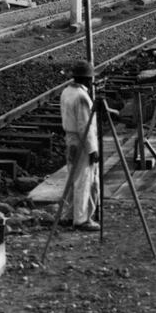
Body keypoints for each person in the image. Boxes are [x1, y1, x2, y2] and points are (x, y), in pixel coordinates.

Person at [59, 60, 100, 231]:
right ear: (87, 79)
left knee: (72, 179)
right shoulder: (82, 97)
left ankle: (68, 215)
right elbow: (86, 125)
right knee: (85, 180)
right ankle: (82, 219)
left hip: (70, 139)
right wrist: (92, 149)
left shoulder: (66, 91)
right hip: (82, 141)